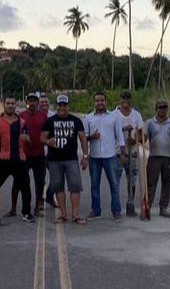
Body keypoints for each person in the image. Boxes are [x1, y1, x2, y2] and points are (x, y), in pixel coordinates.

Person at [0, 96, 35, 224]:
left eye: (12, 103)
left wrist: (26, 138)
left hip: (19, 160)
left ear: (16, 105)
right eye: (8, 103)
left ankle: (26, 213)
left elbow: (29, 140)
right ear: (4, 105)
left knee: (25, 188)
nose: (10, 105)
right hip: (2, 160)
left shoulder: (22, 122)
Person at [41, 95, 89, 225]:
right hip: (54, 160)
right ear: (56, 106)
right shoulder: (50, 121)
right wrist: (47, 142)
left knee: (75, 187)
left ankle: (75, 214)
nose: (62, 108)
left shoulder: (76, 120)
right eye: (60, 105)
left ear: (68, 106)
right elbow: (42, 137)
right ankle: (63, 214)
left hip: (71, 159)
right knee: (58, 187)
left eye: (64, 105)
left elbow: (83, 138)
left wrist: (85, 156)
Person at [84, 91, 125, 221]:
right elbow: (84, 137)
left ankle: (116, 211)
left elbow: (120, 136)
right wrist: (92, 136)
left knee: (114, 185)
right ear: (94, 102)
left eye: (102, 100)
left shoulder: (114, 117)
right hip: (94, 156)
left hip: (110, 156)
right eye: (97, 101)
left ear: (105, 102)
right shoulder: (88, 118)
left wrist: (122, 153)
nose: (100, 103)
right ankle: (96, 210)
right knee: (94, 185)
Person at [7, 93, 48, 218]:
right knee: (18, 182)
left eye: (35, 100)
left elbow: (48, 133)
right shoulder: (21, 116)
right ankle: (13, 208)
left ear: (38, 102)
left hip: (40, 155)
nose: (33, 103)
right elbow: (14, 134)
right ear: (27, 102)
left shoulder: (44, 116)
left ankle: (36, 208)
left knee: (40, 182)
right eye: (30, 100)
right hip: (24, 155)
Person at [142, 99, 170, 219]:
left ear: (167, 109)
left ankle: (163, 208)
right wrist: (137, 138)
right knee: (151, 184)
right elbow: (143, 138)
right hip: (154, 157)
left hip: (169, 158)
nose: (162, 110)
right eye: (160, 107)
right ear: (156, 109)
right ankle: (147, 207)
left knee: (166, 184)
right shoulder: (149, 123)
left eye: (164, 107)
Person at [114, 90, 143, 214]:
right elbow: (111, 132)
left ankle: (130, 203)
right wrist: (123, 129)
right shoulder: (114, 115)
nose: (125, 100)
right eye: (123, 98)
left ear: (130, 100)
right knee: (115, 181)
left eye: (128, 98)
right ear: (120, 100)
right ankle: (116, 207)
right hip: (117, 153)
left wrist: (135, 139)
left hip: (132, 152)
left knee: (132, 180)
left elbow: (141, 134)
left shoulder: (136, 115)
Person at [39, 93, 57, 210]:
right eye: (42, 102)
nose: (44, 104)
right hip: (40, 153)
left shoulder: (54, 116)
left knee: (56, 177)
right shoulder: (37, 116)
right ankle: (39, 201)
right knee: (40, 179)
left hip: (52, 153)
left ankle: (49, 197)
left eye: (46, 102)